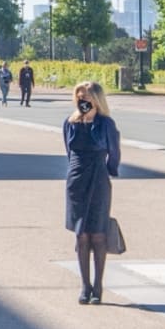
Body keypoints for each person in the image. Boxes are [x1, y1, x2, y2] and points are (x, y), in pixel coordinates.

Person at [63, 81, 121, 305]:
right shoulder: (70, 123)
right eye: (78, 97)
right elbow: (69, 152)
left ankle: (98, 286)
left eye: (85, 97)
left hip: (98, 179)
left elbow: (114, 152)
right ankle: (85, 286)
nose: (82, 101)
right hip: (76, 181)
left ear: (96, 99)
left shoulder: (106, 124)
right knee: (81, 235)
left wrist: (109, 171)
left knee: (97, 233)